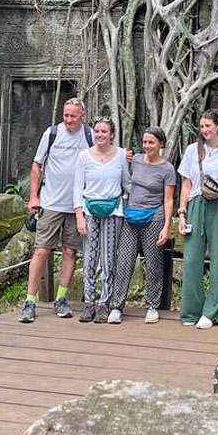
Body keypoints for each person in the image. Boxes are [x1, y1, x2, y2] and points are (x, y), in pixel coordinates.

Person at [20, 98, 93, 322]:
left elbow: (102, 158)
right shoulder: (52, 134)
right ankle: (30, 300)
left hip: (77, 204)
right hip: (51, 202)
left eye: (72, 116)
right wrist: (34, 196)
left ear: (82, 116)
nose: (68, 120)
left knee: (70, 251)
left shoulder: (89, 135)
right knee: (41, 250)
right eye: (65, 115)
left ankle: (61, 299)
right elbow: (37, 164)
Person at [177, 110, 218, 329]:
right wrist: (182, 212)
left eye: (208, 126)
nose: (205, 130)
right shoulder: (192, 150)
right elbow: (186, 183)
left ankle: (214, 310)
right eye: (202, 126)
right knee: (192, 259)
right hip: (196, 203)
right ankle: (191, 310)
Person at [111, 126, 177, 324]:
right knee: (124, 260)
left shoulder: (167, 169)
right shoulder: (135, 160)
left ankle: (152, 305)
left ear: (161, 144)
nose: (147, 146)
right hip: (131, 215)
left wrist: (166, 227)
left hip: (154, 216)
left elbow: (168, 200)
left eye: (152, 142)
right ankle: (116, 305)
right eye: (145, 142)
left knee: (153, 261)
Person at [73, 118, 130, 323]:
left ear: (112, 134)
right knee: (89, 257)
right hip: (89, 209)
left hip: (113, 210)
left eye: (104, 131)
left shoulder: (121, 155)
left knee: (108, 259)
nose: (99, 135)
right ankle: (89, 302)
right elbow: (78, 187)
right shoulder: (84, 157)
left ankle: (104, 303)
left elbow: (127, 184)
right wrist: (79, 215)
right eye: (97, 131)